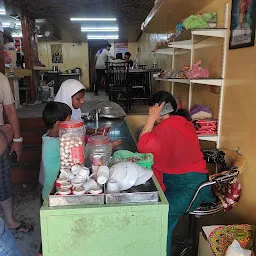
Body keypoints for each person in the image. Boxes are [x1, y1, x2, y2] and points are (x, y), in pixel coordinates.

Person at [137, 91, 215, 255]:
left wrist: (151, 119)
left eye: (151, 110)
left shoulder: (170, 125)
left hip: (190, 186)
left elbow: (143, 146)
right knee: (161, 212)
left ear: (159, 109)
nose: (150, 114)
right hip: (182, 182)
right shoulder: (180, 121)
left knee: (161, 217)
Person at [37, 102, 72, 256]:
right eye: (68, 122)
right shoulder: (56, 144)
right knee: (49, 235)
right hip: (51, 196)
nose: (70, 125)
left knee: (51, 231)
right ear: (59, 124)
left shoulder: (48, 137)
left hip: (50, 192)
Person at [0, 72, 33, 233]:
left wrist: (17, 139)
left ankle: (10, 220)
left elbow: (10, 110)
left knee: (3, 181)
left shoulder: (1, 79)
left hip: (0, 142)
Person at [54, 79, 122, 147]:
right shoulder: (62, 118)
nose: (82, 101)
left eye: (83, 98)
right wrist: (109, 146)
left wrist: (96, 131)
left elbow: (81, 130)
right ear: (67, 98)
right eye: (78, 99)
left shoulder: (75, 112)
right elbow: (75, 144)